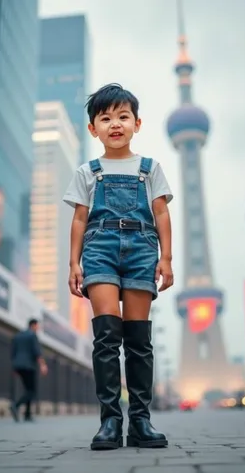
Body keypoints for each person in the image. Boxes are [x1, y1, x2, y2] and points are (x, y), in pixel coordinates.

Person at [63, 83, 174, 450]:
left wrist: (166, 258)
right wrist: (73, 263)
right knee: (107, 336)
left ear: (137, 123)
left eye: (123, 116)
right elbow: (79, 220)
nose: (115, 124)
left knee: (139, 339)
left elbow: (161, 212)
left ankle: (140, 421)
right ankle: (110, 421)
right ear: (93, 128)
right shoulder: (87, 172)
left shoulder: (150, 168)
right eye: (105, 117)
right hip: (100, 249)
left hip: (142, 249)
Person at [10, 318, 48, 422]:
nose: (38, 328)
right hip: (29, 366)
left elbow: (13, 352)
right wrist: (43, 365)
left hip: (18, 365)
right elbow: (37, 352)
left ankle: (27, 415)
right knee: (32, 391)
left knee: (28, 390)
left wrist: (14, 367)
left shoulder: (18, 336)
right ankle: (16, 405)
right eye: (37, 326)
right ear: (34, 325)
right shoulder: (32, 335)